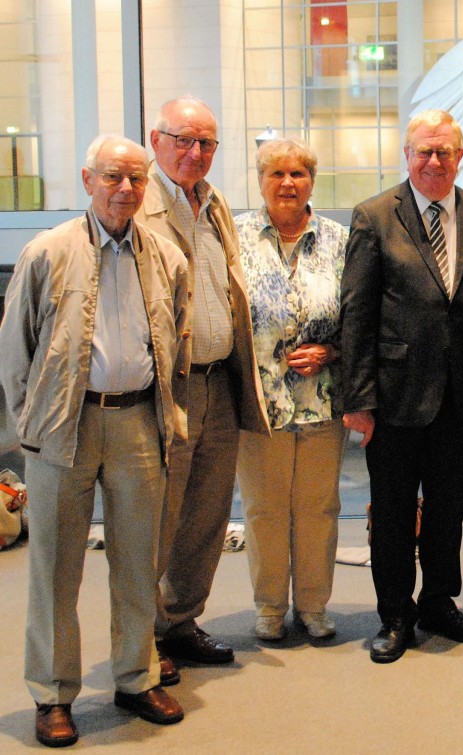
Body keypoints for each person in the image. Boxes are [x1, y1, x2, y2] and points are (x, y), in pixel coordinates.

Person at [0, 136, 189, 747]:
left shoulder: (166, 258)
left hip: (138, 423)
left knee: (139, 562)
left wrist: (171, 414)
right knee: (56, 567)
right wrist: (31, 422)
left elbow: (177, 343)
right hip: (65, 425)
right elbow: (14, 350)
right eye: (113, 176)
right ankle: (53, 695)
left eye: (136, 179)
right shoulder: (46, 251)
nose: (125, 189)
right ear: (88, 178)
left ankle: (136, 676)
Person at [339, 109, 463, 664]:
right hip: (393, 397)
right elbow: (356, 314)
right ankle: (394, 615)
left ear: (461, 156)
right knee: (392, 511)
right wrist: (358, 400)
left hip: (461, 397)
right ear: (408, 155)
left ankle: (439, 601)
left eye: (445, 151)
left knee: (449, 508)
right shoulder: (373, 216)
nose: (434, 161)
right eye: (424, 151)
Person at [137, 96, 270, 683]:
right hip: (168, 390)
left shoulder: (212, 206)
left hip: (220, 381)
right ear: (155, 138)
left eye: (208, 143)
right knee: (156, 518)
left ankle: (182, 623)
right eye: (184, 140)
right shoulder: (136, 206)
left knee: (207, 516)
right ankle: (139, 638)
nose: (196, 153)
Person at [233, 137, 348, 641]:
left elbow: (360, 317)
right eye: (276, 173)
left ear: (311, 182)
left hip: (322, 402)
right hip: (258, 403)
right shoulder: (233, 239)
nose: (287, 183)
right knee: (264, 508)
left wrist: (331, 352)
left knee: (318, 507)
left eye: (298, 174)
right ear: (260, 180)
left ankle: (314, 605)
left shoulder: (340, 240)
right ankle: (269, 605)